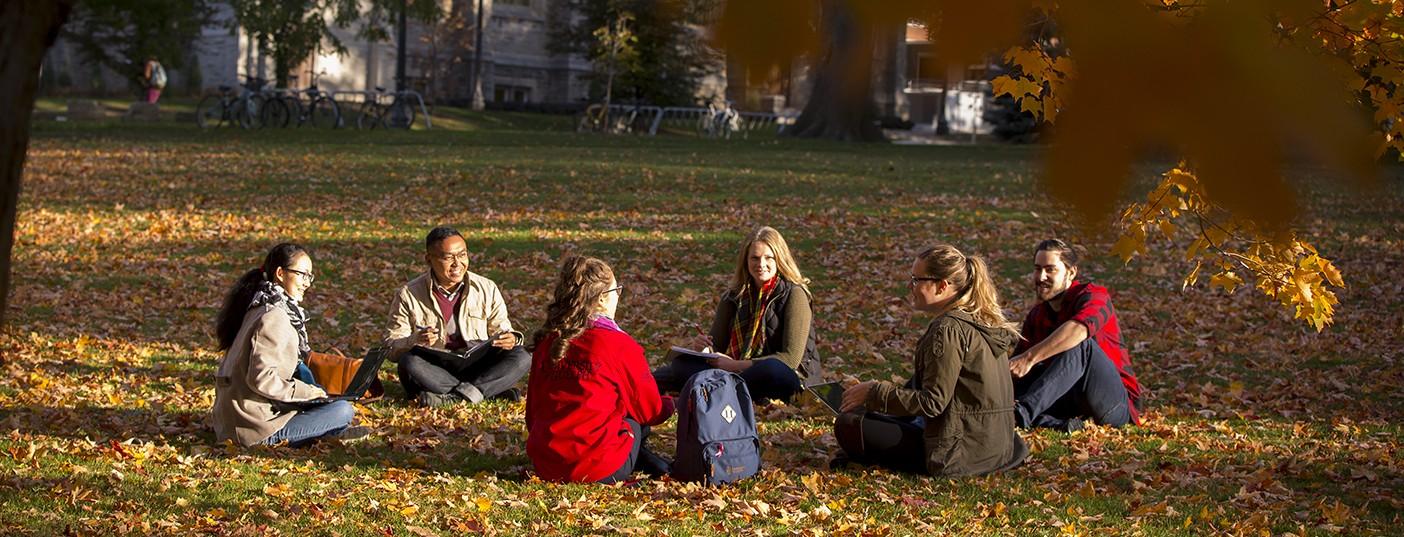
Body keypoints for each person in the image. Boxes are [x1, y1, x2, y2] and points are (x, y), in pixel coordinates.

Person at [835, 245, 1027, 477]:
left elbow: (933, 402)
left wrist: (875, 393)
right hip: (995, 448)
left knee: (849, 424)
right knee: (872, 418)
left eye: (917, 280)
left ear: (942, 286)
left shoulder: (948, 329)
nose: (910, 286)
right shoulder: (981, 322)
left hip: (960, 455)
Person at [525, 256, 673, 483]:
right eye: (617, 290)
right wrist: (672, 404)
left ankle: (639, 456)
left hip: (546, 463)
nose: (618, 297)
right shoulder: (617, 345)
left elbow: (532, 411)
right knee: (632, 415)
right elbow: (650, 411)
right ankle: (638, 457)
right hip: (599, 468)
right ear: (603, 299)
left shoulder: (547, 341)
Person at [211, 243, 364, 447]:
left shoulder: (257, 305)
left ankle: (323, 431)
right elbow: (261, 379)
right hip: (252, 428)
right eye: (302, 274)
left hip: (235, 421)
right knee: (343, 410)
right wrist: (308, 393)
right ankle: (325, 431)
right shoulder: (274, 316)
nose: (307, 283)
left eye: (310, 276)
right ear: (280, 273)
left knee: (316, 387)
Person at [652, 226, 820, 402]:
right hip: (734, 373)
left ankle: (714, 391)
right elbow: (716, 347)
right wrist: (703, 348)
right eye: (755, 258)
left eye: (768, 258)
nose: (761, 264)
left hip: (784, 376)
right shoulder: (734, 296)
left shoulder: (794, 294)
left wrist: (735, 365)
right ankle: (724, 392)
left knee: (771, 369)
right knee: (681, 364)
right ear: (746, 261)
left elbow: (790, 358)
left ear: (779, 259)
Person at [383, 227, 530, 407]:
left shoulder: (486, 288)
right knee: (409, 362)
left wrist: (511, 338)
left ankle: (454, 398)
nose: (457, 263)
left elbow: (501, 329)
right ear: (429, 259)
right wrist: (413, 340)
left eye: (462, 255)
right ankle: (485, 392)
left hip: (478, 364)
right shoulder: (408, 294)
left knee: (522, 356)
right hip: (436, 367)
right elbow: (390, 346)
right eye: (448, 257)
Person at [1008, 239, 1142, 431]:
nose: (1041, 276)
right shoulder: (1037, 315)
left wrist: (1029, 358)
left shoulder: (1095, 296)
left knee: (1081, 346)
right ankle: (1058, 425)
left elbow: (1078, 331)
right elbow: (1018, 368)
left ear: (1071, 272)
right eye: (1037, 269)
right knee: (1018, 381)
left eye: (1050, 269)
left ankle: (1019, 416)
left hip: (1113, 405)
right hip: (1069, 403)